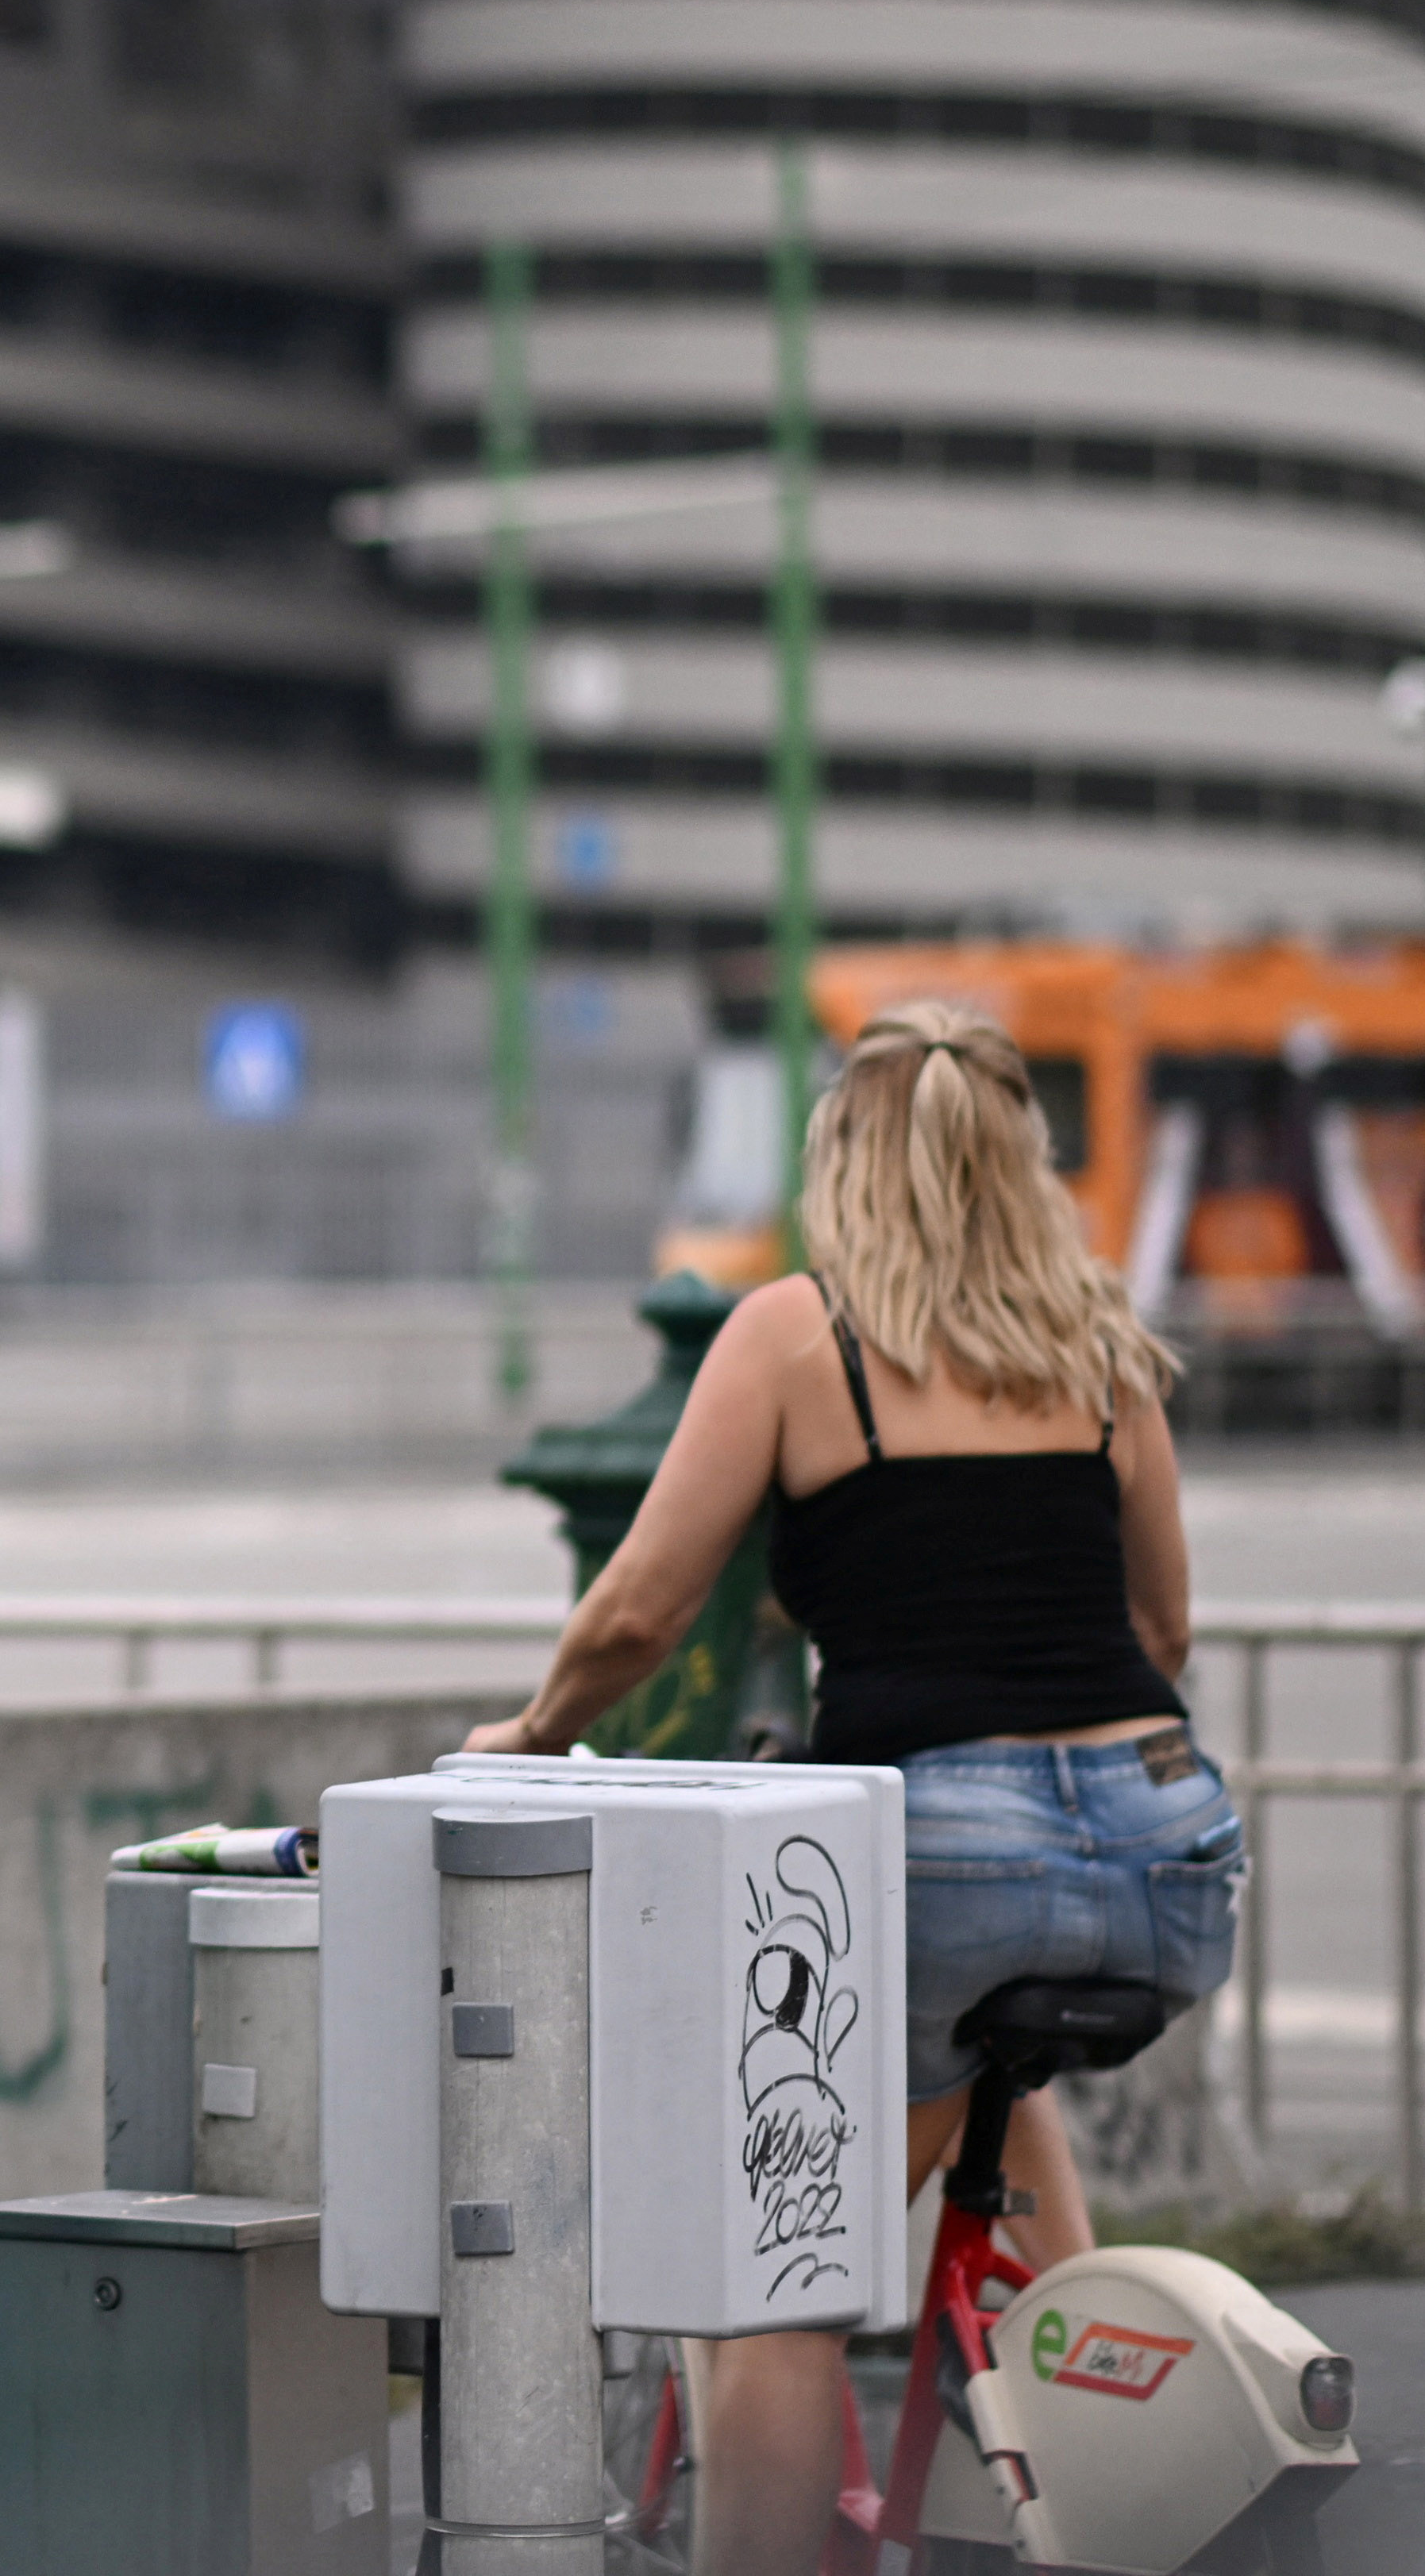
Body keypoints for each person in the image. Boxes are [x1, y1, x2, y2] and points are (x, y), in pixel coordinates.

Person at [467, 999, 1238, 2576]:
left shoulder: (794, 1335)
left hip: (946, 1852)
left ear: (842, 1167)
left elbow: (641, 1611)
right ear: (1019, 1163)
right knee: (989, 2086)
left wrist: (533, 1732)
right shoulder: (1097, 1340)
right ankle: (1100, 2482)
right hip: (1167, 1845)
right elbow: (1163, 1629)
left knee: (775, 2280)